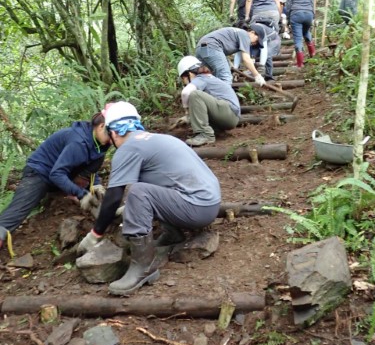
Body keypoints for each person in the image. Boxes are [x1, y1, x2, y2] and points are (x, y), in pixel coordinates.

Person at [77, 101, 221, 295]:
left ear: (114, 132)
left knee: (139, 191)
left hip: (197, 208)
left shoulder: (128, 148)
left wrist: (95, 234)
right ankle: (172, 233)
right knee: (146, 187)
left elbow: (113, 196)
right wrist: (127, 209)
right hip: (209, 201)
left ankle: (143, 267)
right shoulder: (156, 139)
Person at [0, 113, 111, 251]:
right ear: (101, 126)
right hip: (40, 172)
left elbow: (92, 165)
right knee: (18, 210)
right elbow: (56, 174)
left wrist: (96, 184)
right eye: (112, 133)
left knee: (95, 195)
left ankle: (101, 216)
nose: (113, 139)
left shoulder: (100, 142)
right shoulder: (78, 142)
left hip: (63, 172)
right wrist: (81, 194)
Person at [177, 56, 240, 146]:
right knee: (197, 97)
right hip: (230, 115)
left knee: (195, 95)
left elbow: (185, 93)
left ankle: (205, 134)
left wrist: (187, 113)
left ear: (190, 73)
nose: (184, 82)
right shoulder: (208, 78)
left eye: (183, 78)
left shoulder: (201, 78)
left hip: (228, 113)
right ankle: (215, 131)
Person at [195, 25, 267, 85]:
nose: (255, 43)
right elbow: (246, 59)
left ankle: (210, 99)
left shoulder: (238, 32)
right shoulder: (245, 35)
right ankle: (225, 101)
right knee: (225, 77)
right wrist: (257, 76)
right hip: (212, 46)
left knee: (209, 77)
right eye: (257, 40)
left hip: (201, 48)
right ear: (252, 32)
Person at [286, 0, 315, 68]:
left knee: (298, 39)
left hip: (296, 13)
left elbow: (289, 4)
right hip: (309, 14)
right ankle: (312, 54)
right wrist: (313, 15)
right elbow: (312, 2)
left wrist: (288, 18)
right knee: (306, 32)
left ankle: (300, 64)